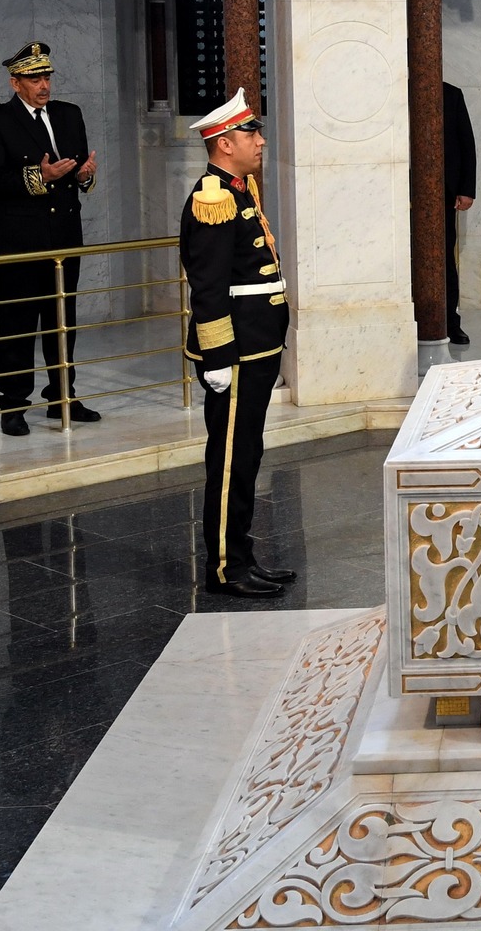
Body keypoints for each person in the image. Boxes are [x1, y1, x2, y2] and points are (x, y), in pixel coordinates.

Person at [182, 88, 294, 598]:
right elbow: (207, 287)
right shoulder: (213, 198)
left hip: (258, 344)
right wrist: (218, 358)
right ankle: (226, 567)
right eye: (251, 133)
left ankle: (243, 555)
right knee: (229, 460)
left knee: (247, 454)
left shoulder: (239, 189)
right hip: (237, 351)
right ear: (225, 143)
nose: (260, 141)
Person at [0, 42, 100, 435]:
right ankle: (13, 405)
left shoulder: (69, 114)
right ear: (16, 83)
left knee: (62, 322)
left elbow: (78, 170)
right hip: (21, 242)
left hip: (64, 237)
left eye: (46, 77)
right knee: (18, 324)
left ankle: (62, 396)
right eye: (34, 79)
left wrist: (84, 177)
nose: (43, 85)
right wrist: (39, 177)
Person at [443, 81, 477, 346]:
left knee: (444, 256)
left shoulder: (451, 94)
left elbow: (467, 144)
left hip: (443, 191)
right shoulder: (393, 90)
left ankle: (449, 322)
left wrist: (466, 189)